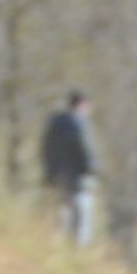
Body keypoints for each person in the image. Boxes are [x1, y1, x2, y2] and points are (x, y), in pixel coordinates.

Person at [42, 88, 105, 251]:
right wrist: (93, 169)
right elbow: (85, 152)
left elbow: (45, 149)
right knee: (81, 216)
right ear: (82, 105)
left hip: (56, 175)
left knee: (61, 212)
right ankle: (78, 251)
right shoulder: (78, 125)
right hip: (77, 178)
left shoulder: (54, 123)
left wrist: (49, 171)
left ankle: (56, 247)